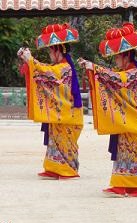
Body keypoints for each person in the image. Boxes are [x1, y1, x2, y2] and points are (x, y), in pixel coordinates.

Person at [78, 23, 137, 197]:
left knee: (133, 155)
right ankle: (126, 186)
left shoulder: (133, 73)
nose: (115, 60)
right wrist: (91, 68)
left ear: (126, 54)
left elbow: (116, 79)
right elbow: (112, 76)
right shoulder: (126, 71)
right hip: (131, 122)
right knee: (126, 154)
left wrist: (94, 68)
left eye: (117, 57)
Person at [17, 23, 83, 180]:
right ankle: (54, 168)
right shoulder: (60, 66)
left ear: (58, 49)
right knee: (56, 141)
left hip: (69, 113)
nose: (50, 53)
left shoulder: (65, 67)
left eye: (51, 49)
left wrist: (31, 60)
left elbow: (47, 72)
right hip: (61, 113)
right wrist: (28, 61)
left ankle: (68, 170)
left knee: (65, 142)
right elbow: (46, 71)